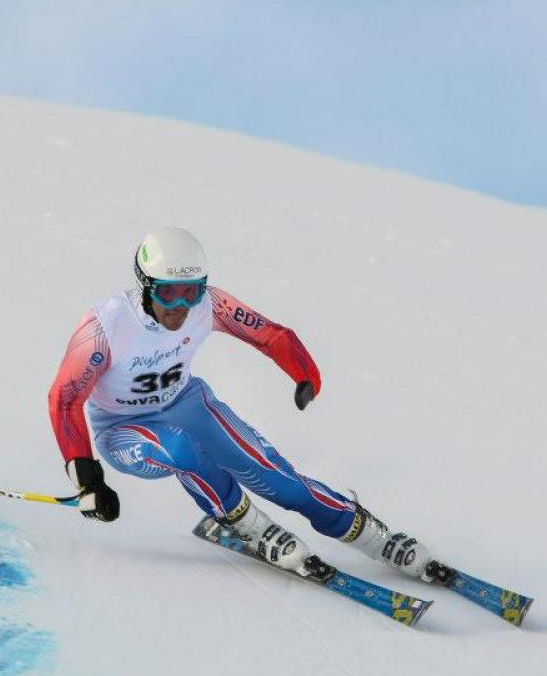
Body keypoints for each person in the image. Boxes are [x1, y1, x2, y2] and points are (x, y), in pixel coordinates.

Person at [48, 228, 434, 579]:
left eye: (192, 291)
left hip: (187, 404)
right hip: (122, 430)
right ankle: (248, 525)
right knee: (181, 449)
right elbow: (65, 401)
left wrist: (304, 376)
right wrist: (88, 482)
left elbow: (270, 335)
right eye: (168, 292)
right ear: (145, 285)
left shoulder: (210, 305)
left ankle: (369, 534)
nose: (181, 306)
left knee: (278, 478)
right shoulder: (105, 327)